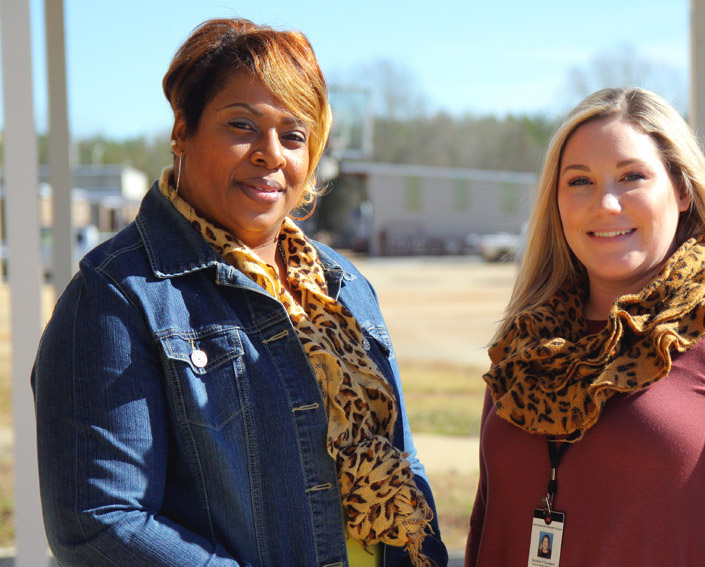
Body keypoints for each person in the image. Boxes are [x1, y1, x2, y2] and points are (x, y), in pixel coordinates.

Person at [32, 18, 447, 567]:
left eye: (293, 135)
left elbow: (404, 463)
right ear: (183, 130)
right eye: (241, 125)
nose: (270, 153)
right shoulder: (117, 298)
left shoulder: (343, 286)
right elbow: (100, 524)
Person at [465, 87, 705, 566]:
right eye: (579, 181)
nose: (606, 202)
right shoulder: (526, 345)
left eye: (632, 177)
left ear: (682, 190)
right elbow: (486, 523)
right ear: (555, 202)